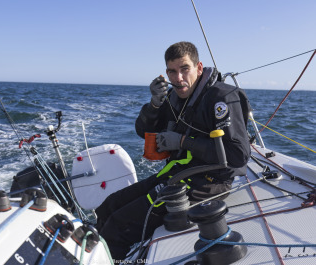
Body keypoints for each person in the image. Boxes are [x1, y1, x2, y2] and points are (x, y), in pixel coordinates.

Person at [95, 41, 251, 261]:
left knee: (116, 228)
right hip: (177, 174)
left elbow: (237, 156)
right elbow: (144, 132)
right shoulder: (174, 98)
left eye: (184, 69)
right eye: (172, 71)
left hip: (208, 182)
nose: (178, 78)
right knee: (107, 208)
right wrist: (154, 105)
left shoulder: (221, 98)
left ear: (198, 68)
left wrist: (183, 142)